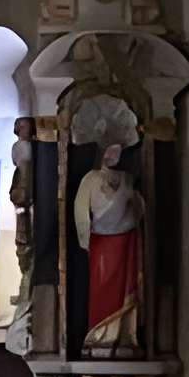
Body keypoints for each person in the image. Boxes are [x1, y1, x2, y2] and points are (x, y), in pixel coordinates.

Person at [73, 139, 146, 356]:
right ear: (102, 153)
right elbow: (80, 210)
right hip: (101, 242)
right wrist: (86, 240)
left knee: (126, 287)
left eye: (117, 152)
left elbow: (139, 206)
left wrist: (133, 216)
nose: (113, 156)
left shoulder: (126, 179)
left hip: (126, 240)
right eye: (110, 151)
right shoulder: (91, 178)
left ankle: (122, 337)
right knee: (101, 289)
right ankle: (99, 336)